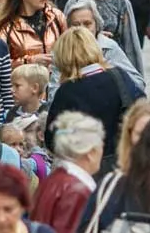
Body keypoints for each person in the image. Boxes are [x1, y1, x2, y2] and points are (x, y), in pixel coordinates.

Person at [41, 27, 129, 173]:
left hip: (86, 167)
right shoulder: (120, 77)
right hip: (122, 163)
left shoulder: (67, 91)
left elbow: (53, 140)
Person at [63, 0, 147, 99]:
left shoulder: (108, 47)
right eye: (76, 24)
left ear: (97, 25)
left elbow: (137, 82)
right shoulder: (63, 51)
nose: (82, 29)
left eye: (87, 24)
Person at [0, 0, 67, 71]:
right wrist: (29, 61)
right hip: (25, 83)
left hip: (56, 82)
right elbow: (0, 64)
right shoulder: (7, 27)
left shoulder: (57, 16)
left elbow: (69, 50)